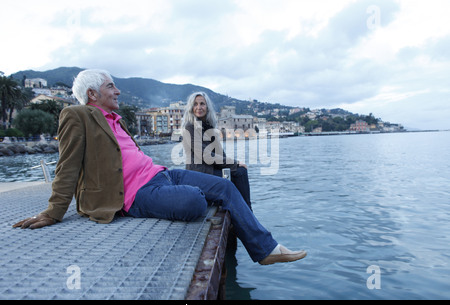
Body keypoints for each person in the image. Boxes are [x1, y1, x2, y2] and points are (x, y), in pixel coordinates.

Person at [13, 69, 306, 265]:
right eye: (110, 86)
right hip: (134, 194)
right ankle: (249, 238)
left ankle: (265, 250)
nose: (117, 91)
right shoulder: (77, 115)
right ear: (92, 94)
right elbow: (67, 165)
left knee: (225, 186)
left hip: (161, 173)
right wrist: (53, 212)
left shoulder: (115, 119)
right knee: (194, 200)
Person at [181, 92, 252, 210]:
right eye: (195, 104)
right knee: (238, 173)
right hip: (199, 173)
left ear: (207, 107)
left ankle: (246, 210)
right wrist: (235, 163)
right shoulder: (190, 127)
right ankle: (246, 212)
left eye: (202, 104)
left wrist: (234, 165)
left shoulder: (208, 126)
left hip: (211, 169)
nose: (199, 107)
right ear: (191, 108)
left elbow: (219, 153)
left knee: (240, 171)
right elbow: (205, 155)